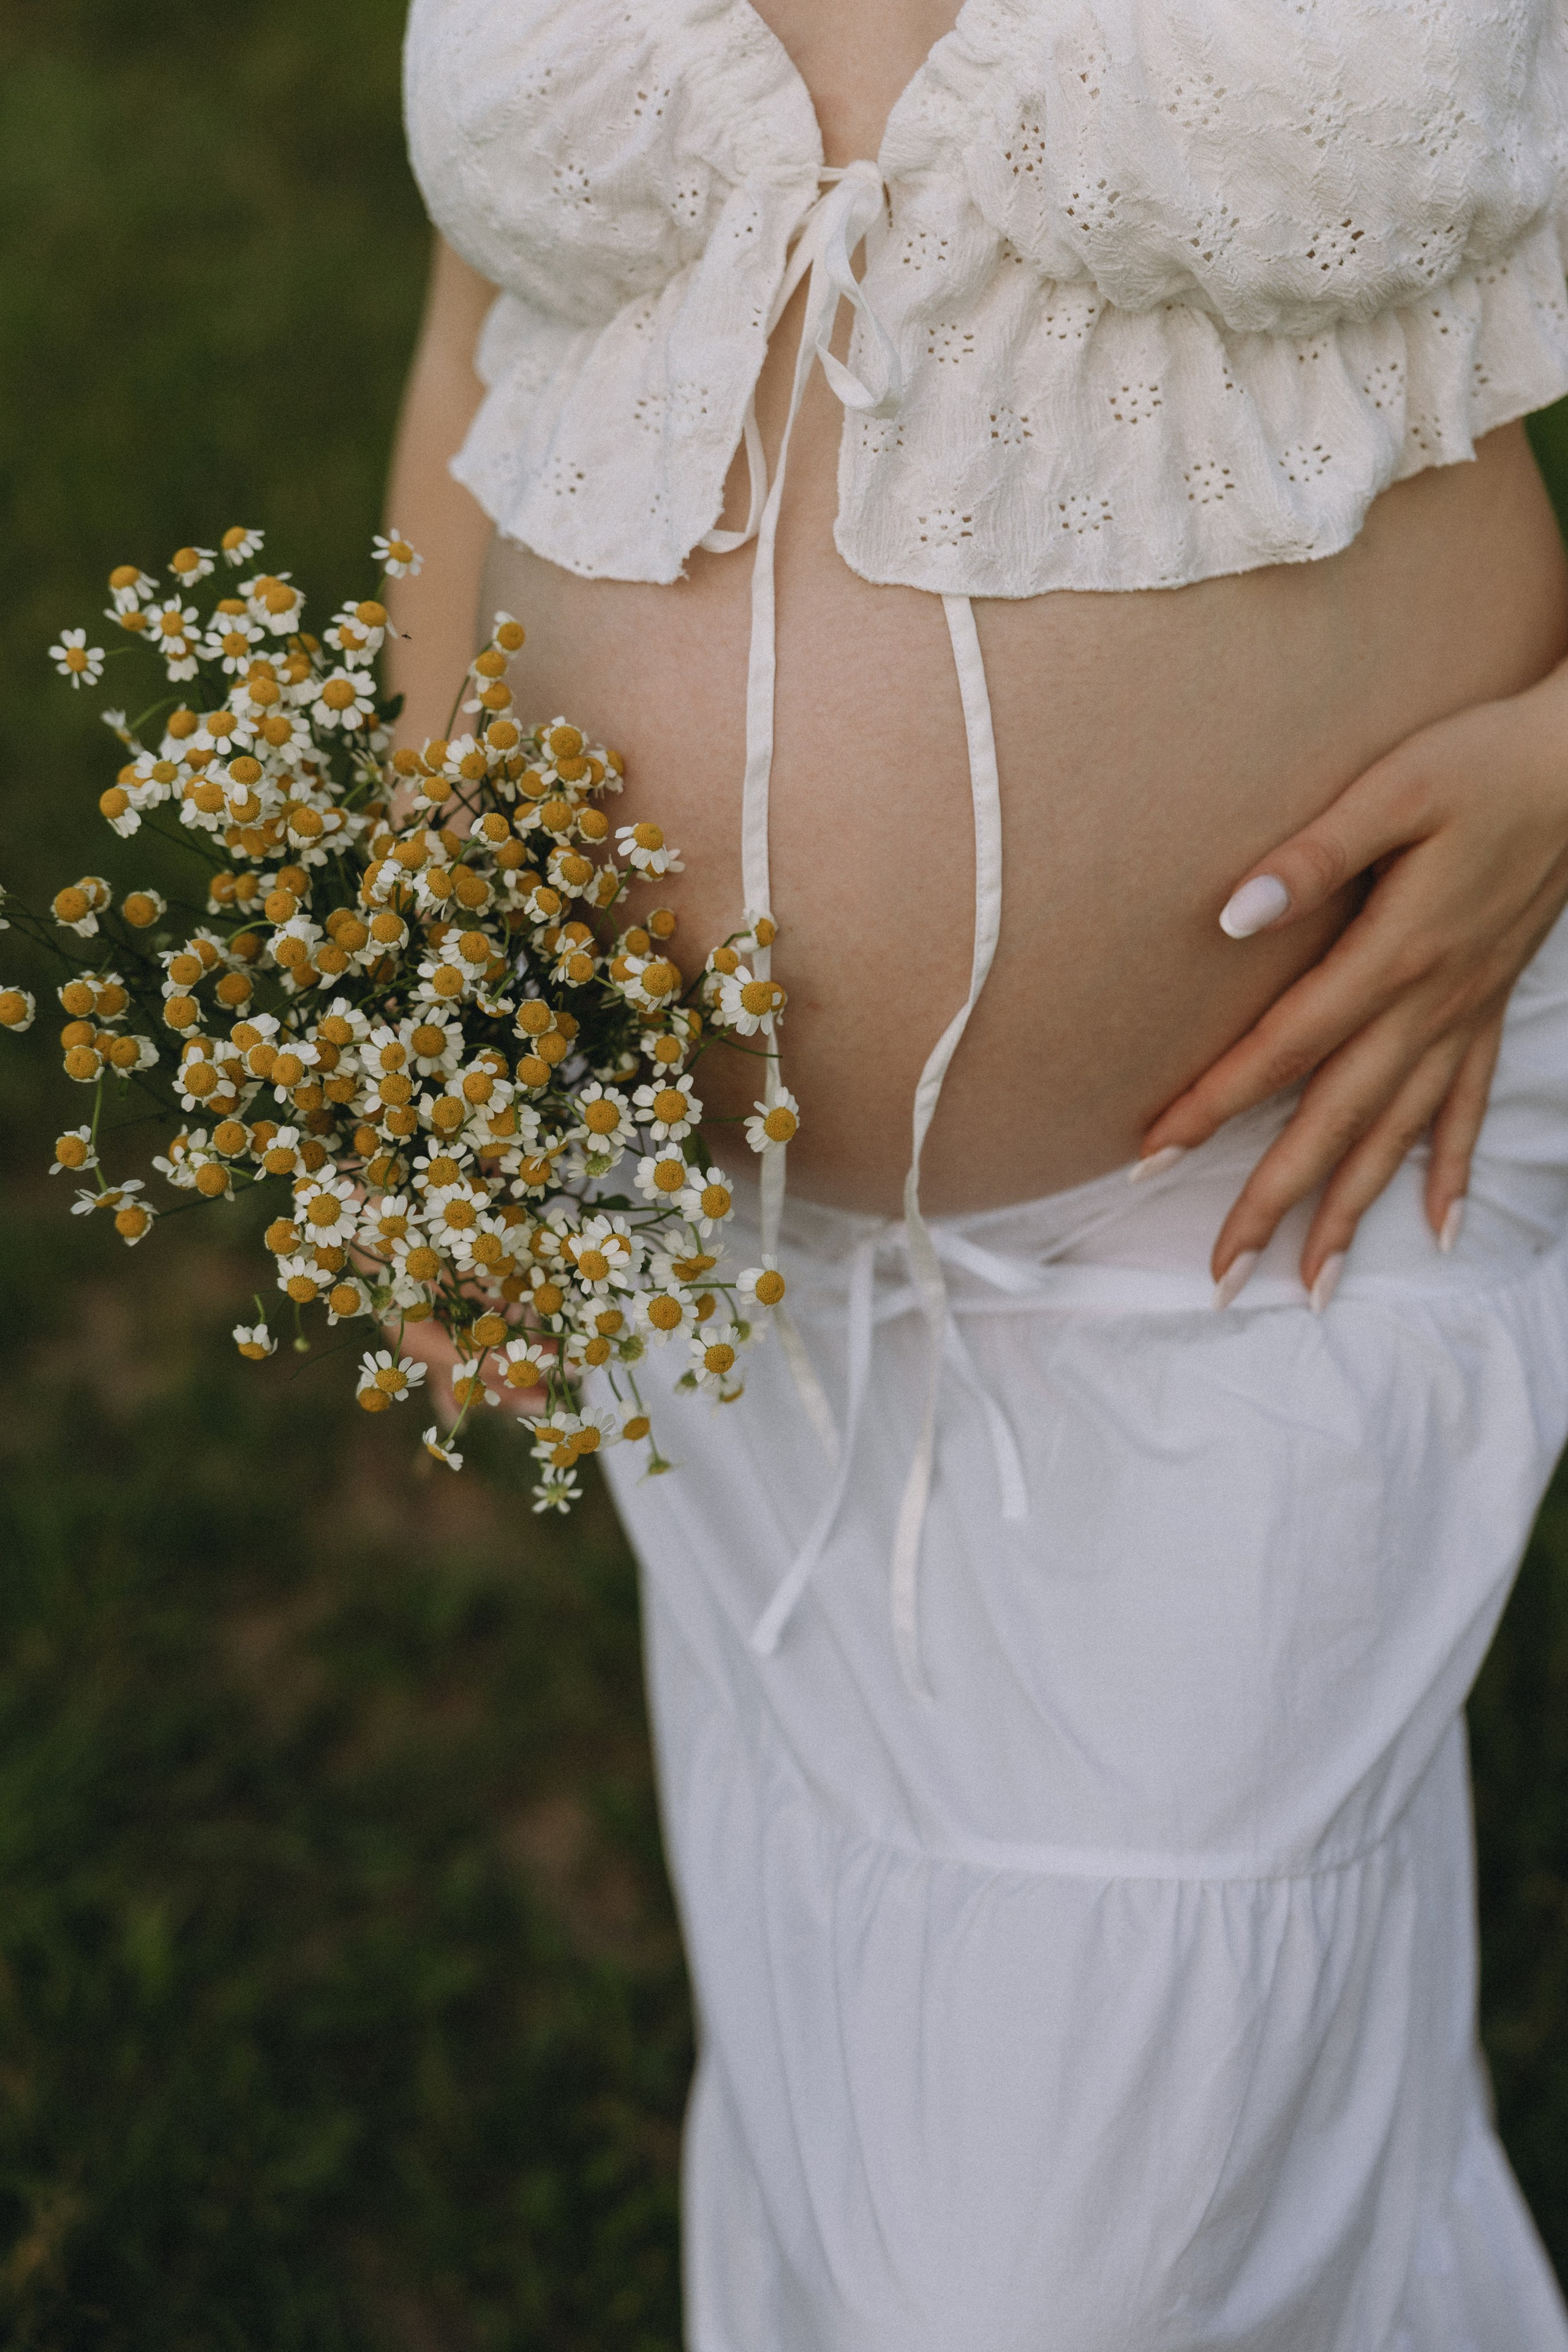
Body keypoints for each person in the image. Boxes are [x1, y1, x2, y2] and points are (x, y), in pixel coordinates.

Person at [393, 2, 1568, 2342]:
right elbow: (486, 342)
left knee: (1057, 2255)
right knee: (881, 2084)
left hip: (1285, 1180)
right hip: (738, 1263)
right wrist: (463, 992)